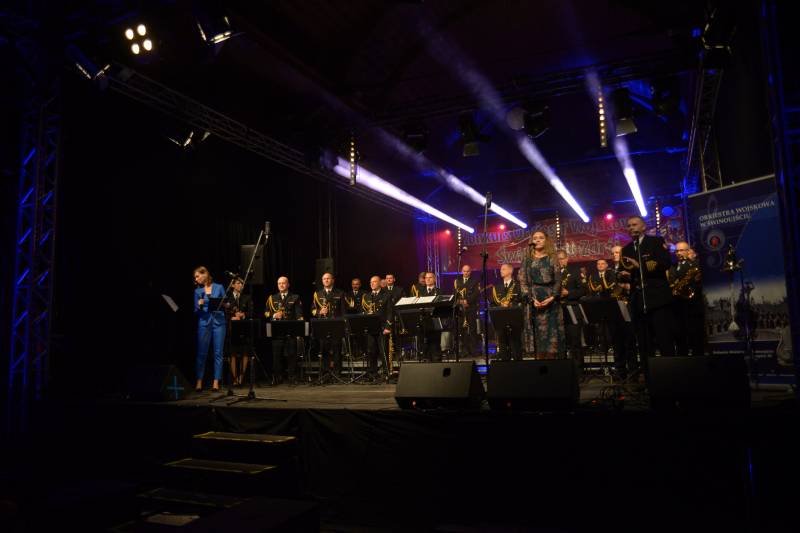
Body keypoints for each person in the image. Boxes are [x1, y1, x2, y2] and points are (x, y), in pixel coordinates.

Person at [619, 216, 676, 376]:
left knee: (664, 340)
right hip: (638, 301)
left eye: (634, 224)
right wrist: (623, 276)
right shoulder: (626, 249)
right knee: (644, 344)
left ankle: (671, 376)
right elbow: (625, 271)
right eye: (629, 225)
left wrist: (640, 266)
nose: (631, 228)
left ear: (643, 227)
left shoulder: (656, 242)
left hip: (658, 299)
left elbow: (665, 263)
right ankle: (649, 378)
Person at [519, 231, 565, 358]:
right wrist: (531, 299)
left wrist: (552, 297)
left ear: (546, 241)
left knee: (551, 340)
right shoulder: (527, 260)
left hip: (551, 300)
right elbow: (523, 281)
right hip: (533, 300)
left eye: (541, 238)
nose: (538, 240)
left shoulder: (552, 258)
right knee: (537, 338)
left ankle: (552, 365)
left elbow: (558, 280)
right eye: (535, 238)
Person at [193, 266, 226, 392]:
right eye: (195, 277)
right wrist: (200, 306)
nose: (196, 279)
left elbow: (225, 303)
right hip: (204, 323)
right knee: (202, 353)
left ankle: (216, 381)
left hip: (219, 323)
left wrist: (226, 304)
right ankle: (199, 381)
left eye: (197, 276)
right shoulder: (197, 291)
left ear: (205, 274)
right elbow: (196, 311)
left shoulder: (219, 287)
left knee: (218, 353)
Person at [265, 276, 303, 384]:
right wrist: (274, 315)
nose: (281, 285)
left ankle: (292, 377)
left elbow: (299, 315)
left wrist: (299, 331)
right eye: (279, 283)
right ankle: (278, 377)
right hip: (277, 331)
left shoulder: (295, 297)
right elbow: (266, 313)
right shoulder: (272, 298)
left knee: (291, 355)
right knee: (276, 355)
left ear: (288, 284)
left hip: (290, 330)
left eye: (283, 283)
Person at [669, 242, 705, 357]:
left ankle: (698, 359)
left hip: (693, 304)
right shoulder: (673, 266)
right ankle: (682, 359)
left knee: (696, 335)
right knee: (680, 335)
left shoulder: (695, 263)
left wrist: (691, 261)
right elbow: (672, 279)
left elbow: (698, 280)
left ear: (688, 251)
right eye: (676, 251)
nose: (678, 253)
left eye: (681, 250)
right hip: (678, 305)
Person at [311, 272, 345, 374]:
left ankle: (337, 372)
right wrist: (319, 312)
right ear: (322, 281)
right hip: (323, 325)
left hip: (336, 325)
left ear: (333, 280)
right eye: (324, 279)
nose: (326, 280)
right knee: (324, 349)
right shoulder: (317, 294)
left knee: (336, 349)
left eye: (328, 278)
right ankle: (325, 372)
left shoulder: (340, 293)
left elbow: (343, 311)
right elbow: (313, 310)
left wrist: (343, 325)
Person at [557, 250, 585, 365]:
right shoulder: (552, 273)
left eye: (561, 258)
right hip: (557, 311)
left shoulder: (575, 271)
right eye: (557, 259)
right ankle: (562, 368)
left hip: (572, 309)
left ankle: (578, 369)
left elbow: (583, 290)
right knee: (560, 343)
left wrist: (568, 293)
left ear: (567, 259)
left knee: (575, 341)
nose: (559, 261)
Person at [491, 263, 523, 360]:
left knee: (515, 343)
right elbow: (494, 302)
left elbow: (521, 299)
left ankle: (518, 363)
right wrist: (502, 304)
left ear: (510, 271)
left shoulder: (518, 285)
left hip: (514, 317)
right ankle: (505, 363)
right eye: (501, 269)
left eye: (503, 269)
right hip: (501, 318)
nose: (501, 271)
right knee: (502, 343)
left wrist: (511, 304)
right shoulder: (497, 287)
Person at [362, 276, 392, 376]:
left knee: (383, 351)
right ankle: (373, 373)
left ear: (380, 283)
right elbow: (364, 311)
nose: (372, 283)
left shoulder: (386, 295)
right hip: (371, 328)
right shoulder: (367, 296)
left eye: (374, 282)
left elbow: (390, 312)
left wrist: (388, 326)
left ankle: (386, 373)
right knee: (371, 351)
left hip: (382, 327)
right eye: (371, 282)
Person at [226, 277, 252, 386]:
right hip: (231, 329)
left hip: (243, 329)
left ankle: (242, 376)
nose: (240, 285)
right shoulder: (227, 298)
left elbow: (251, 312)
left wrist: (243, 315)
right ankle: (234, 377)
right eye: (238, 283)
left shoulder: (247, 297)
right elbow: (223, 312)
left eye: (242, 283)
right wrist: (231, 317)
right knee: (232, 353)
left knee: (245, 352)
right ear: (232, 285)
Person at [454, 264, 481, 356]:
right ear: (462, 271)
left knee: (472, 329)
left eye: (467, 271)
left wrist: (467, 301)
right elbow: (455, 293)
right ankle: (464, 350)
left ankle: (473, 350)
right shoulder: (457, 281)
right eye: (464, 271)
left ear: (470, 271)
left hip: (471, 307)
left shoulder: (475, 281)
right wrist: (461, 301)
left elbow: (476, 293)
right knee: (462, 330)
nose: (466, 273)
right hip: (461, 309)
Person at [420, 272, 442, 361]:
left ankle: (436, 359)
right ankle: (426, 358)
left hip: (435, 319)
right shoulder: (420, 291)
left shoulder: (439, 291)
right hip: (424, 320)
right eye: (426, 278)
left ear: (434, 279)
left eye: (430, 277)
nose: (428, 279)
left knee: (435, 342)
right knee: (425, 342)